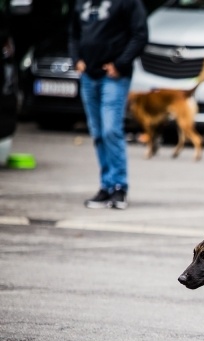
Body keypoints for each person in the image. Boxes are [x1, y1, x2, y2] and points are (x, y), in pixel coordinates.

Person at [70, 0, 147, 210]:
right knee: (98, 133)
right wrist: (76, 59)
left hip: (113, 76)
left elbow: (140, 35)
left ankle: (119, 188)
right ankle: (106, 187)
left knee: (111, 130)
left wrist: (121, 64)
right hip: (88, 75)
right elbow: (74, 33)